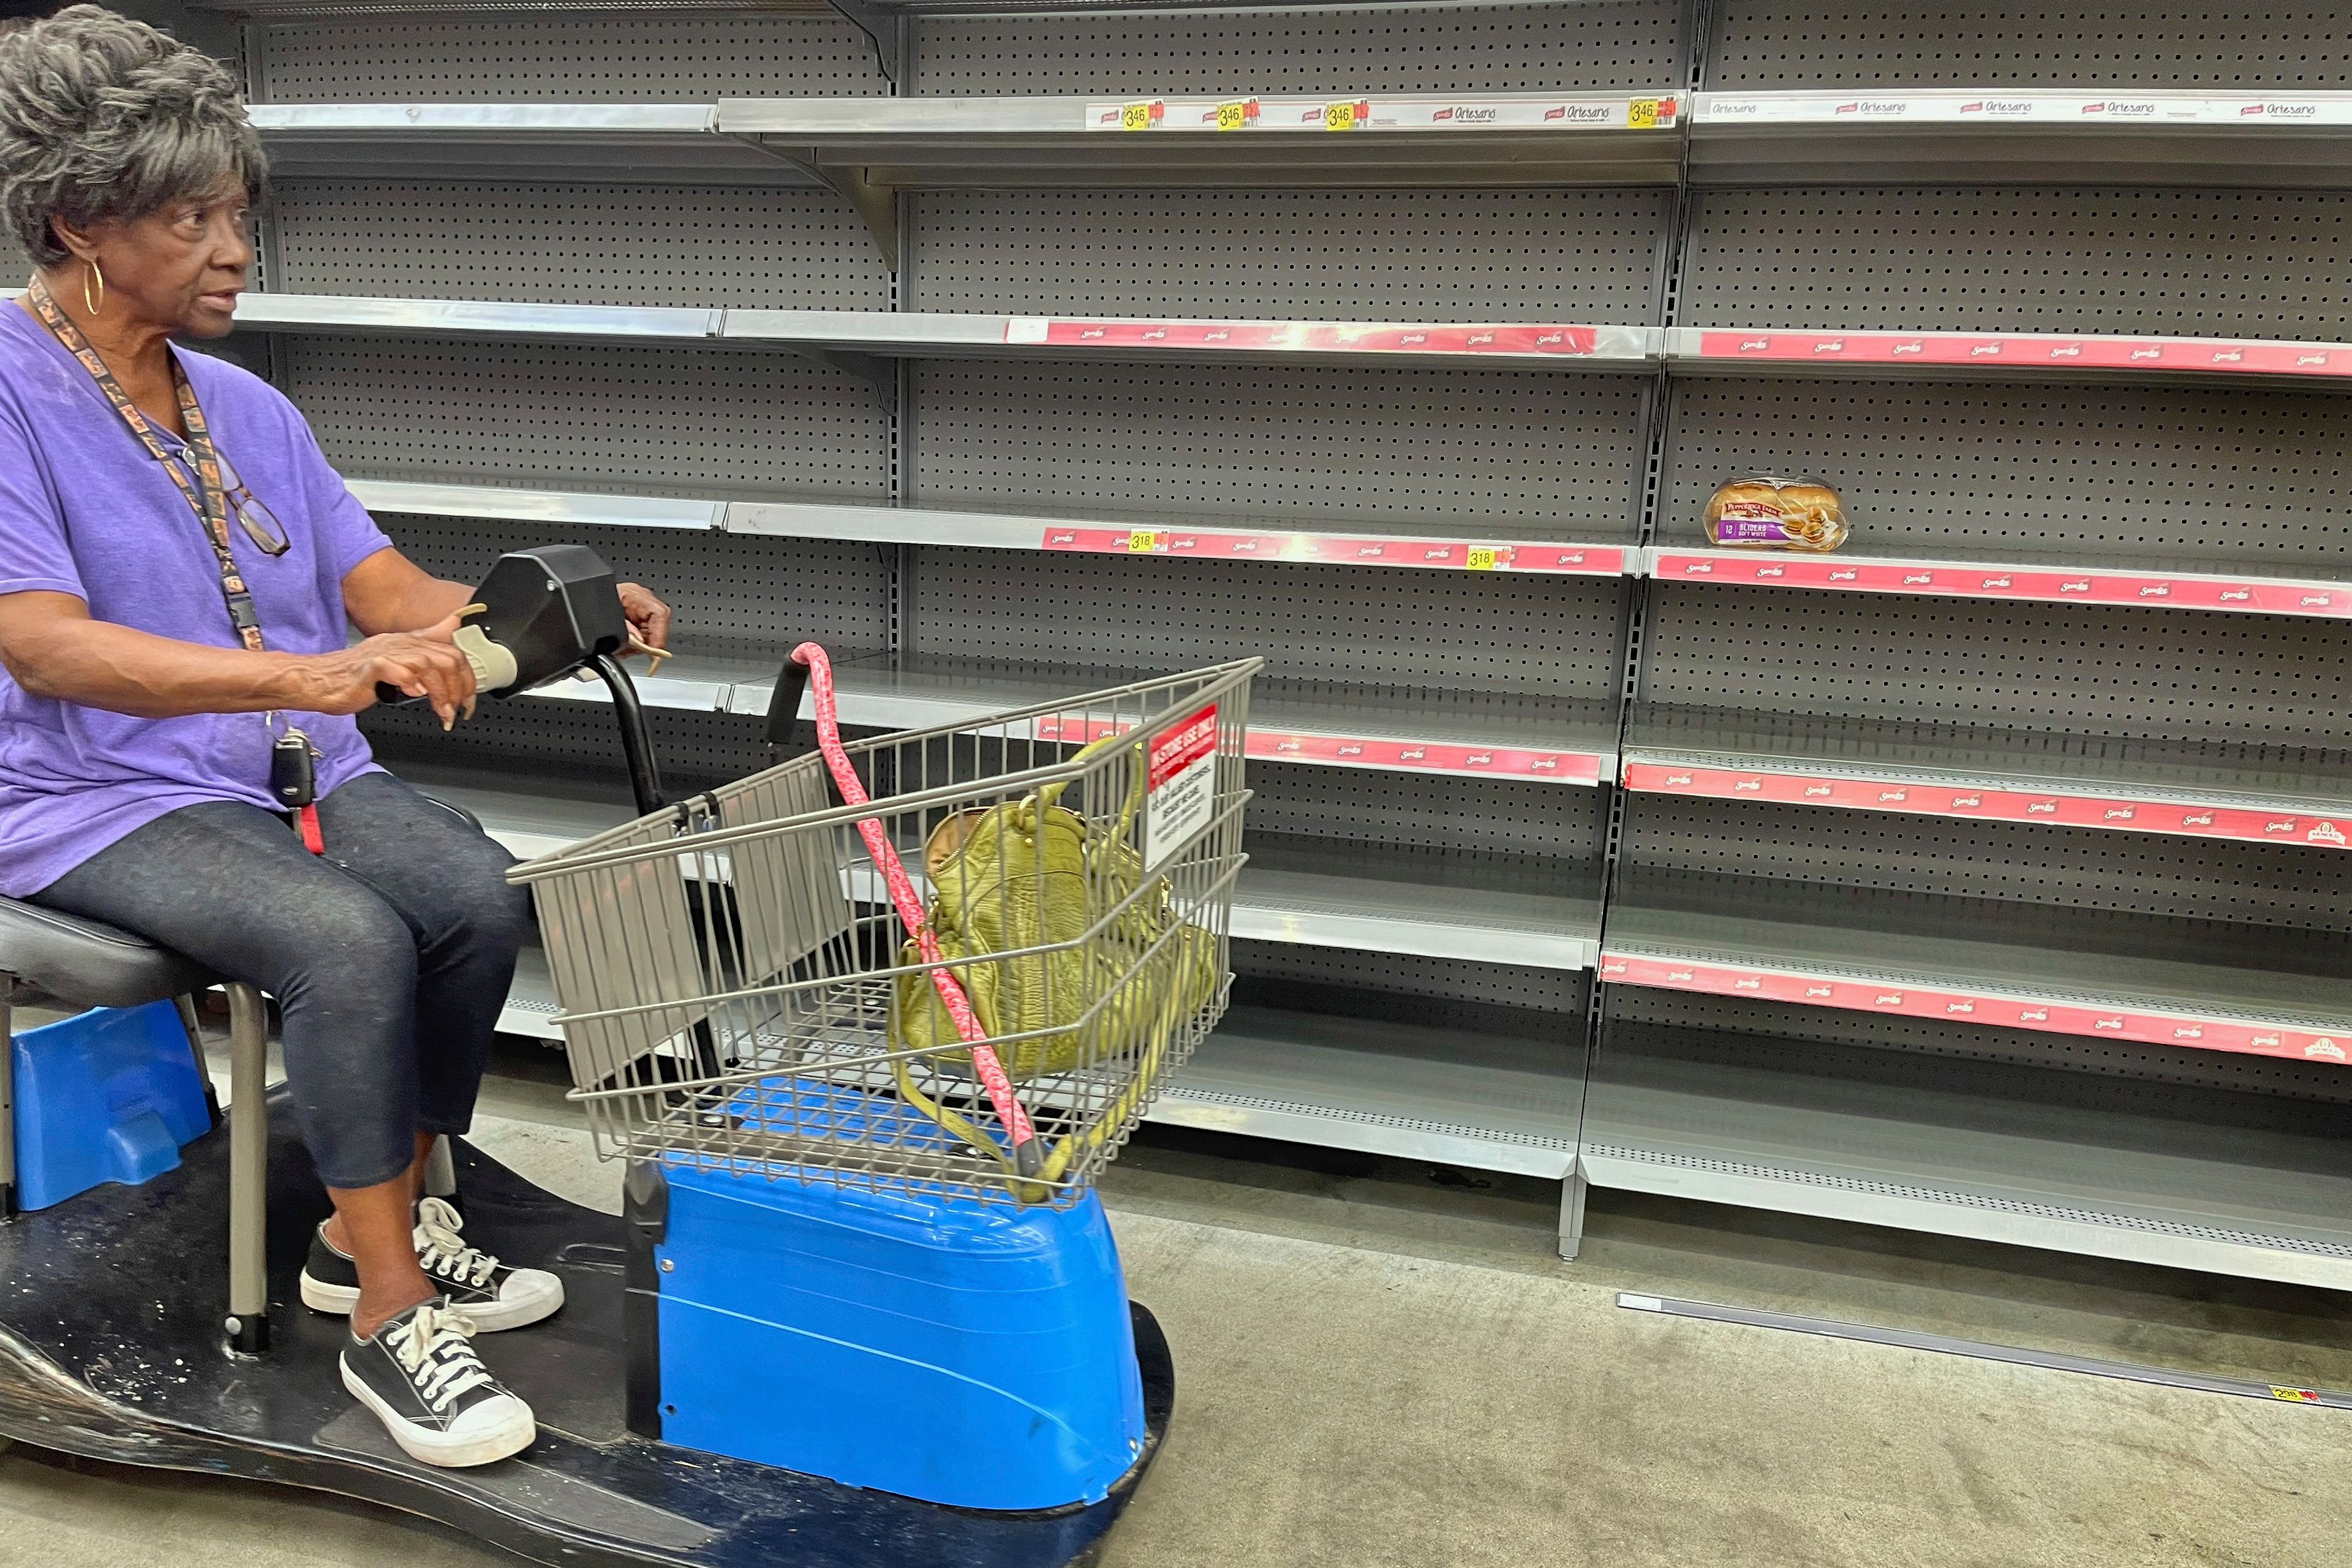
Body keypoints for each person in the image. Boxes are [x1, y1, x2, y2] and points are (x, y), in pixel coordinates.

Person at [0, 9, 674, 1468]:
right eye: (194, 219)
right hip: (86, 791)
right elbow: (43, 640)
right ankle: (386, 1313)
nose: (236, 249)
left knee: (471, 894)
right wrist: (306, 681)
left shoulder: (244, 403)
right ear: (79, 220)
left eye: (238, 214)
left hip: (276, 767)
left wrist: (550, 607)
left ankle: (384, 1221)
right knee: (344, 937)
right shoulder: (6, 387)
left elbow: (386, 598)